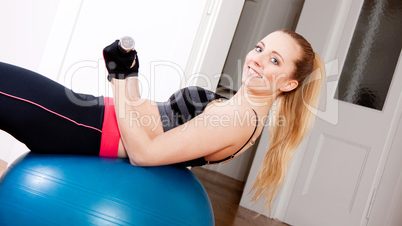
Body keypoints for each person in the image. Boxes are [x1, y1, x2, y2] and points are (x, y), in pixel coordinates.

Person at [0, 29, 324, 210]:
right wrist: (128, 73)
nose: (257, 60)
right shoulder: (236, 109)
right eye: (260, 48)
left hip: (83, 125)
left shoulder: (238, 119)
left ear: (288, 83)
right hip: (89, 117)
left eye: (274, 60)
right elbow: (147, 114)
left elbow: (144, 153)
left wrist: (119, 77)